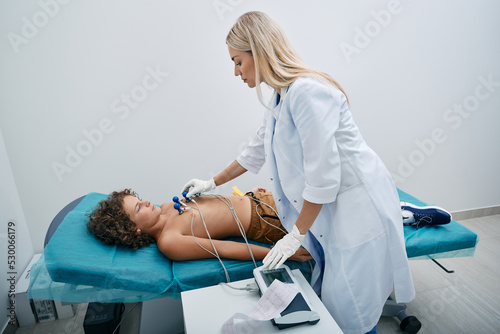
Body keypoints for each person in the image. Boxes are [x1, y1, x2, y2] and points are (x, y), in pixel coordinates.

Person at [181, 11, 416, 334]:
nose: (235, 72)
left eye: (237, 61)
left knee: (351, 308)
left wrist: (296, 234)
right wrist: (212, 182)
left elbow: (324, 178)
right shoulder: (280, 96)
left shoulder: (307, 92)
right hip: (329, 212)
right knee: (339, 300)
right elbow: (255, 150)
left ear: (258, 51)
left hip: (357, 210)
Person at [87, 187, 313, 262]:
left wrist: (248, 195)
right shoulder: (169, 241)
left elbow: (218, 208)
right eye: (139, 208)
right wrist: (285, 253)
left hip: (263, 200)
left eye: (139, 200)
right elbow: (225, 249)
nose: (146, 202)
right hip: (268, 222)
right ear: (133, 229)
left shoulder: (167, 207)